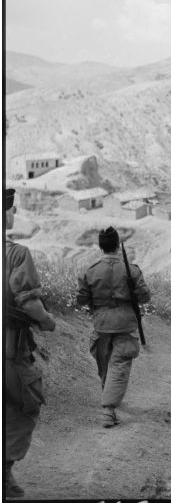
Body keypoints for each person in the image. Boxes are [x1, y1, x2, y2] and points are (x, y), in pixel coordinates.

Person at [5, 188, 56, 498]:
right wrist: (47, 321)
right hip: (10, 351)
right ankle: (4, 472)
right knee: (24, 406)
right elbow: (28, 303)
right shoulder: (15, 253)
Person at [76, 227, 151, 428]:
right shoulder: (132, 270)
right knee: (118, 366)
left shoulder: (91, 271)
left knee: (106, 364)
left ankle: (108, 399)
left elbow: (81, 299)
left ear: (101, 246)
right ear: (117, 245)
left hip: (101, 325)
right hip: (125, 324)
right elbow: (145, 297)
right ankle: (108, 411)